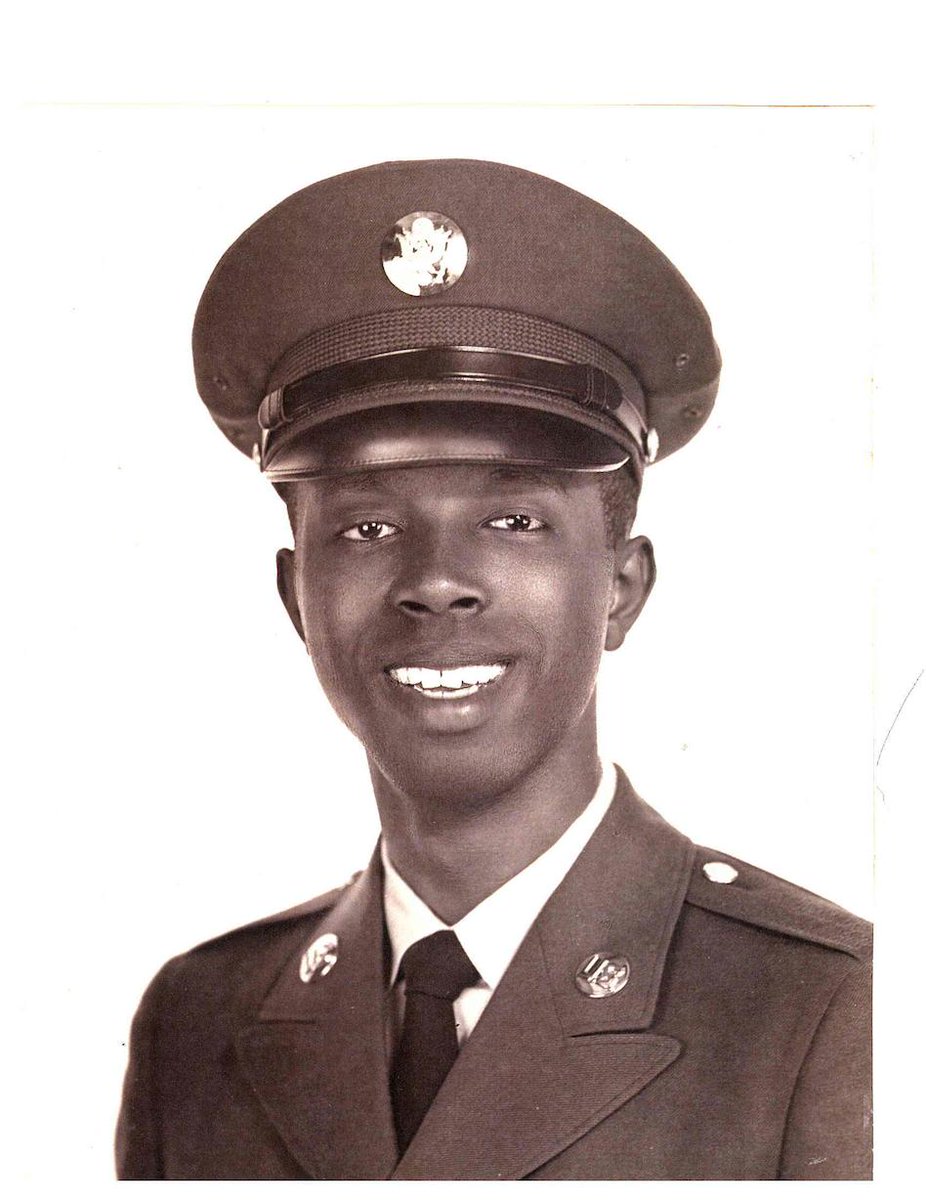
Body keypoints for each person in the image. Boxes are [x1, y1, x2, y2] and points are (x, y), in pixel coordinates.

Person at [115, 159, 872, 1180]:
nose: (435, 583)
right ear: (297, 598)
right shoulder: (197, 1022)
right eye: (368, 527)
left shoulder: (834, 1011)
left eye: (513, 520)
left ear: (621, 588)